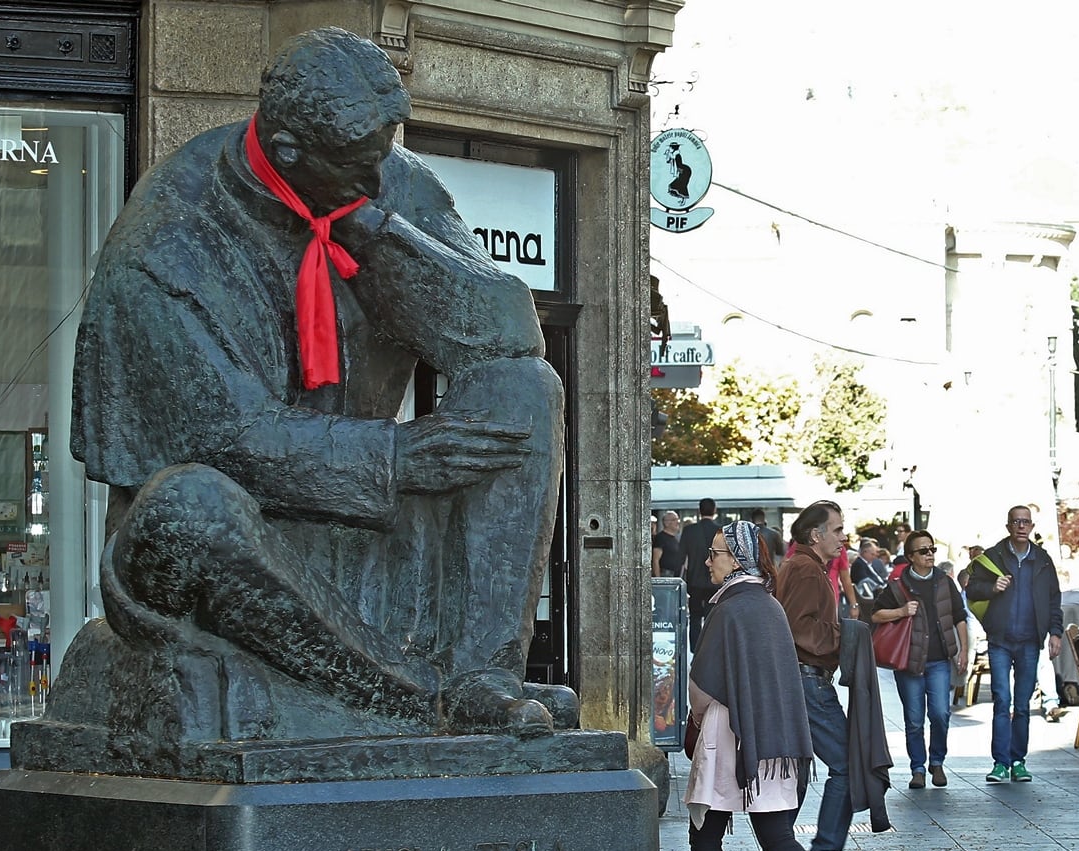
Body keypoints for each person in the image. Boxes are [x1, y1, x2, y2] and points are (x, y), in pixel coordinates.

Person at [69, 27, 573, 737]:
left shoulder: (382, 182)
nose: (376, 180)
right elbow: (226, 442)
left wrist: (379, 237)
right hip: (238, 543)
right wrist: (396, 458)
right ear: (288, 153)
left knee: (522, 390)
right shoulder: (166, 242)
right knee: (191, 506)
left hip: (369, 530)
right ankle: (414, 700)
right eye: (356, 167)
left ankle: (481, 673)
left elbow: (506, 333)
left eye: (383, 158)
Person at [670, 520, 854, 851]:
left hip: (725, 734)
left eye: (716, 553)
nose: (708, 561)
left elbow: (702, 686)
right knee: (776, 835)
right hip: (769, 739)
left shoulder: (730, 607)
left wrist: (693, 721)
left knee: (706, 832)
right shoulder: (769, 605)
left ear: (736, 559)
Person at [766, 500, 869, 851]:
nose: (844, 537)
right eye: (838, 530)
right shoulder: (807, 570)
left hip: (799, 679)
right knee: (845, 763)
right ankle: (826, 850)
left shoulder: (803, 566)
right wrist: (845, 635)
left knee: (797, 769)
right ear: (816, 534)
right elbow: (797, 628)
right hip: (807, 679)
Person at [965, 504, 1063, 783]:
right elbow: (971, 589)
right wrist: (991, 588)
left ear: (1032, 526)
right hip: (1000, 639)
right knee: (1001, 700)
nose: (1021, 526)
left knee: (1021, 704)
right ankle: (1000, 763)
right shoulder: (994, 557)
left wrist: (1055, 632)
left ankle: (1018, 761)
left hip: (1030, 640)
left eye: (1026, 522)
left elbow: (1054, 599)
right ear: (1008, 526)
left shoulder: (1042, 560)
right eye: (1016, 521)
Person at [869, 530, 967, 789]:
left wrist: (963, 651)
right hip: (909, 662)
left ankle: (937, 761)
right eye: (924, 551)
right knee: (914, 719)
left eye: (932, 549)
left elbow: (959, 616)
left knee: (941, 714)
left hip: (939, 660)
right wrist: (901, 611)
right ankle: (918, 768)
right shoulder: (898, 585)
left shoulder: (945, 582)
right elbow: (876, 615)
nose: (930, 554)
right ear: (911, 556)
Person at [680, 498, 722, 650]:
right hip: (716, 580)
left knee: (695, 617)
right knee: (713, 617)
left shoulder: (689, 531)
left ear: (699, 511)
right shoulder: (721, 531)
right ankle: (711, 647)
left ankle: (696, 649)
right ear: (714, 510)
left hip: (695, 580)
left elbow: (681, 557)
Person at [651, 509, 684, 577]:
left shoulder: (675, 538)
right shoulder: (660, 538)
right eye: (675, 520)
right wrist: (659, 580)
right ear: (666, 523)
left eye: (678, 519)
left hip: (676, 575)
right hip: (666, 575)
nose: (678, 522)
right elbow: (655, 560)